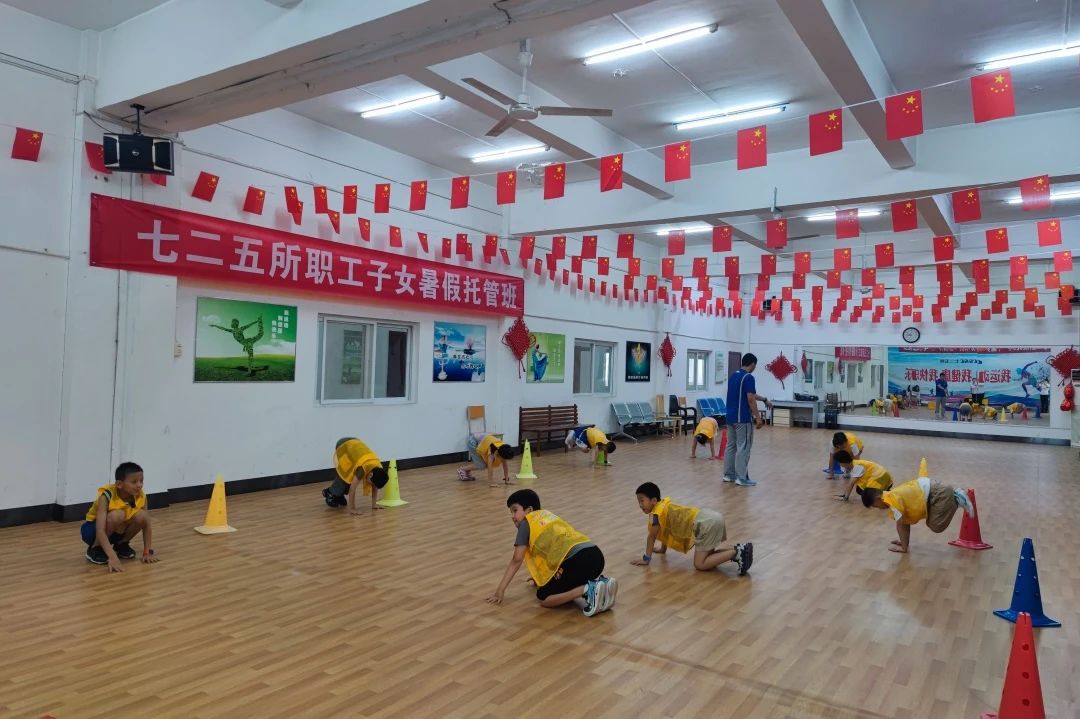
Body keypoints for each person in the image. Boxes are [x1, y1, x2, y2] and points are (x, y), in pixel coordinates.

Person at [486, 489, 617, 617]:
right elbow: (552, 552)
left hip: (579, 561)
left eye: (515, 510)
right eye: (511, 512)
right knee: (560, 586)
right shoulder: (547, 517)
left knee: (544, 597)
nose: (512, 516)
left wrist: (500, 591)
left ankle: (587, 590)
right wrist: (541, 578)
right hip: (596, 556)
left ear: (529, 510)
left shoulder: (526, 523)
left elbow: (517, 560)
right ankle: (602, 588)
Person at [630, 482, 753, 575]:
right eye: (638, 502)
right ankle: (739, 549)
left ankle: (736, 553)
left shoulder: (655, 515)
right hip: (710, 517)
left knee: (700, 564)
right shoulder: (663, 506)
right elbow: (666, 529)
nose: (640, 505)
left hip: (705, 525)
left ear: (653, 500)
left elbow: (652, 537)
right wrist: (663, 549)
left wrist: (646, 559)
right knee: (708, 558)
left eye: (642, 501)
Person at [861, 477, 974, 553]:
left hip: (938, 493)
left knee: (936, 525)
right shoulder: (891, 496)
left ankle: (957, 497)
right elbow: (905, 524)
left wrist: (904, 547)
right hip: (932, 492)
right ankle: (955, 497)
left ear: (878, 498)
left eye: (875, 506)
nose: (879, 509)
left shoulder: (892, 500)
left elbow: (900, 525)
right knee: (930, 523)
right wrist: (904, 544)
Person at [82, 462, 159, 572]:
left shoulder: (141, 495)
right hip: (92, 531)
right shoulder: (106, 496)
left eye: (141, 481)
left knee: (142, 516)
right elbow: (100, 530)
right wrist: (112, 557)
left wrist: (147, 552)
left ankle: (121, 544)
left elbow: (146, 524)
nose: (139, 485)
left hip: (117, 531)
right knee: (117, 515)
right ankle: (95, 548)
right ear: (119, 484)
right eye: (134, 482)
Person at [723, 353, 771, 486]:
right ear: (753, 364)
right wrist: (758, 418)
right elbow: (750, 398)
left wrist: (764, 399)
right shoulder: (749, 377)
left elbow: (750, 394)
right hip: (742, 418)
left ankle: (728, 475)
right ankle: (741, 477)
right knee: (743, 447)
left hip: (730, 417)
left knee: (731, 446)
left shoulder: (734, 375)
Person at [323, 437, 390, 515]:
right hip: (344, 445)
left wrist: (374, 505)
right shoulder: (362, 469)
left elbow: (375, 486)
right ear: (371, 475)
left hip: (355, 443)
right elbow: (352, 489)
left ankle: (339, 494)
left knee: (350, 478)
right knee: (346, 475)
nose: (372, 485)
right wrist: (353, 509)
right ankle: (330, 493)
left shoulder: (378, 469)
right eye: (372, 483)